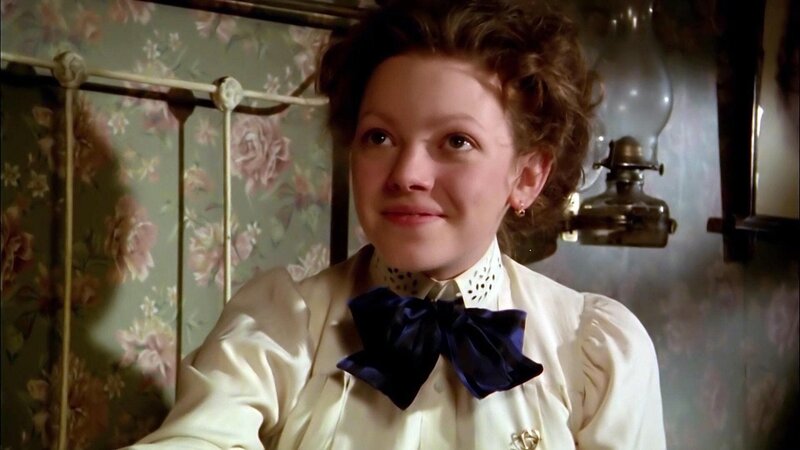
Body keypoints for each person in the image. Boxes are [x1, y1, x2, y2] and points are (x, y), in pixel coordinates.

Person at [128, 0, 665, 448]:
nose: (407, 174)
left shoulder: (594, 352)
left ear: (526, 176)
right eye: (379, 137)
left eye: (456, 141)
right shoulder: (280, 329)